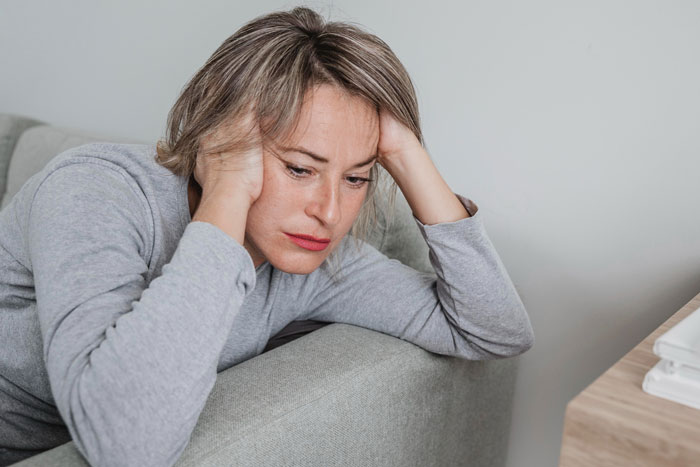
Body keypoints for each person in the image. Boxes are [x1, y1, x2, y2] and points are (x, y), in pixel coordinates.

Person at [0, 6, 535, 466]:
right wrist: (228, 192)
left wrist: (406, 152)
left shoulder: (316, 262)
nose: (329, 212)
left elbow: (496, 331)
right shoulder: (95, 191)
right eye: (300, 169)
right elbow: (126, 444)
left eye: (357, 178)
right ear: (222, 137)